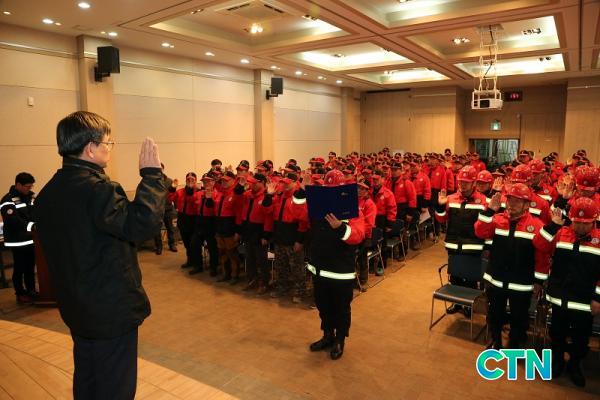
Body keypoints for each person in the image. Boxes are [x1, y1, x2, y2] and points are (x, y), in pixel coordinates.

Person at [34, 111, 165, 399]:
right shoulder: (98, 189)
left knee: (88, 376)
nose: (110, 148)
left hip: (76, 305)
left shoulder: (48, 193)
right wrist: (152, 176)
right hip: (109, 309)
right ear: (90, 148)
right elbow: (141, 226)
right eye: (108, 142)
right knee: (115, 386)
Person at [474, 183, 553, 349]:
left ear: (527, 204)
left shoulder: (537, 226)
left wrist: (538, 281)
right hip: (496, 279)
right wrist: (489, 211)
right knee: (495, 313)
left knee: (519, 317)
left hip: (521, 283)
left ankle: (515, 343)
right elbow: (480, 232)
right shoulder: (497, 219)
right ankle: (495, 339)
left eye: (517, 201)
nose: (512, 204)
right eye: (510, 199)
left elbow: (542, 256)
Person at [539, 197, 600, 387]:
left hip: (584, 301)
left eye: (585, 223)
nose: (580, 227)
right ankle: (557, 361)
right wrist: (552, 226)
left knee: (581, 337)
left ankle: (575, 365)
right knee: (557, 333)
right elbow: (540, 245)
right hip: (559, 297)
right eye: (576, 222)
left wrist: (598, 298)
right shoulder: (561, 233)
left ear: (594, 221)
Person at [307, 170, 365, 360]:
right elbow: (300, 217)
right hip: (319, 268)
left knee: (340, 309)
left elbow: (358, 235)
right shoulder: (318, 208)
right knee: (323, 306)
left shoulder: (353, 211)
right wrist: (301, 192)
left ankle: (339, 340)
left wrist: (340, 227)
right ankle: (327, 335)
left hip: (340, 272)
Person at [435, 166, 487, 317]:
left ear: (474, 183)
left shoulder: (482, 200)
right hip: (454, 244)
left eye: (466, 182)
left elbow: (485, 226)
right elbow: (441, 219)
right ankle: (457, 303)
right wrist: (440, 206)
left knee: (470, 278)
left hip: (473, 245)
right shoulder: (450, 198)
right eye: (460, 181)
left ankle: (469, 306)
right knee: (455, 276)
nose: (462, 185)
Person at [0, 172, 37, 303]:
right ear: (18, 185)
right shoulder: (7, 200)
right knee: (20, 267)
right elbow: (13, 220)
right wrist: (32, 226)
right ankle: (20, 293)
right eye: (27, 186)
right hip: (17, 241)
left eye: (31, 186)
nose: (29, 189)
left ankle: (31, 290)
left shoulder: (30, 197)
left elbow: (34, 213)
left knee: (30, 267)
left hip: (31, 239)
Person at [153, 163, 177, 255]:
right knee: (156, 230)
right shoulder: (152, 182)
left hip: (168, 209)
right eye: (157, 168)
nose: (159, 170)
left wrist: (174, 187)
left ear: (163, 169)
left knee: (170, 228)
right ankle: (159, 246)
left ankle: (172, 244)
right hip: (156, 210)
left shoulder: (169, 181)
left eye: (161, 168)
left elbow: (173, 194)